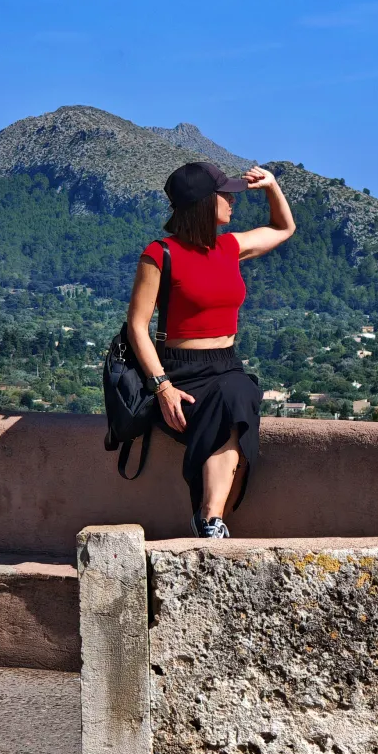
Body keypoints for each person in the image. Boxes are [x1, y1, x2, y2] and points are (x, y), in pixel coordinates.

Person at [125, 160, 295, 538]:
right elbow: (137, 326)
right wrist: (163, 387)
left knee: (237, 393)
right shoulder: (159, 254)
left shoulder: (229, 247)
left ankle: (208, 519)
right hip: (181, 368)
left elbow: (284, 228)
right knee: (232, 400)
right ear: (204, 202)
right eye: (226, 195)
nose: (233, 201)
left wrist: (272, 187)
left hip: (225, 363)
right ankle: (211, 521)